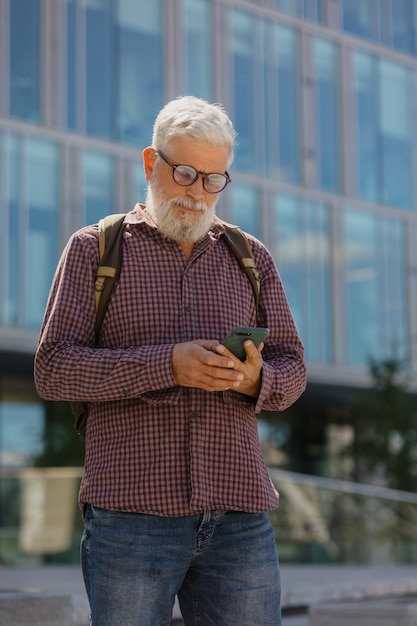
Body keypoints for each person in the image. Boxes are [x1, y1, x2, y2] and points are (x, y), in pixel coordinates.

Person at [34, 95, 307, 626]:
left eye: (213, 179)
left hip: (240, 516)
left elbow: (292, 366)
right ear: (149, 162)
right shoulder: (95, 249)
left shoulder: (251, 258)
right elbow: (53, 368)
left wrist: (256, 379)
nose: (196, 192)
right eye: (184, 173)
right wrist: (168, 365)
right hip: (130, 518)